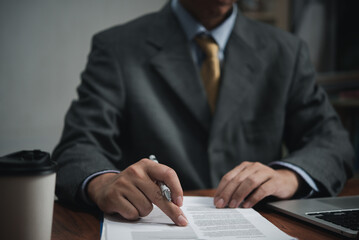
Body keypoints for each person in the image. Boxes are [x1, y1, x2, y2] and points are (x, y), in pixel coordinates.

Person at [53, 0, 354, 227]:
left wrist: (289, 176)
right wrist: (104, 183)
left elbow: (333, 143)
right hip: (153, 226)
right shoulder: (117, 47)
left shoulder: (286, 51)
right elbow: (78, 146)